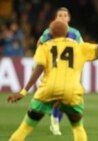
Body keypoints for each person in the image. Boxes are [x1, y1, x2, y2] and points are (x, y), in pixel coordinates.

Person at [7, 20, 98, 141]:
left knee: (25, 128)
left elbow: (38, 68)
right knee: (78, 127)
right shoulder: (79, 47)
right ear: (67, 33)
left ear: (50, 34)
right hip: (71, 92)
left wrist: (23, 92)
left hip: (47, 90)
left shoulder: (44, 47)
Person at [37, 7, 83, 135]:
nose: (62, 17)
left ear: (69, 18)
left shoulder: (75, 33)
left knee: (64, 99)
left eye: (65, 15)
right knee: (57, 98)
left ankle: (55, 120)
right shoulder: (49, 32)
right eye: (60, 15)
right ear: (56, 18)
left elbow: (81, 50)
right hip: (53, 70)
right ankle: (53, 118)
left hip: (68, 70)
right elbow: (40, 44)